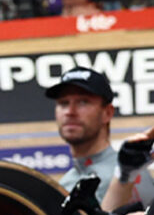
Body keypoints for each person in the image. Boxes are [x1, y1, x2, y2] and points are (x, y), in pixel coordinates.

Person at [48, 67, 119, 202]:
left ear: (108, 113)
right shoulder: (66, 183)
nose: (70, 111)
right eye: (63, 103)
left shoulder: (126, 176)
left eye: (83, 102)